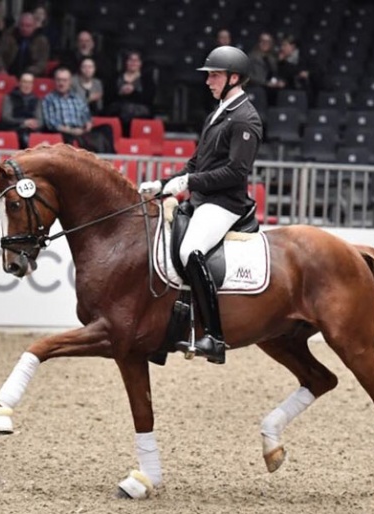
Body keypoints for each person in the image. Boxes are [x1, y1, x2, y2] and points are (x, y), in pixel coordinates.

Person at [138, 46, 263, 365]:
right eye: (209, 75)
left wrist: (189, 183)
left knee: (189, 251)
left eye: (215, 75)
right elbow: (196, 163)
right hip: (202, 199)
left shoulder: (246, 119)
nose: (208, 81)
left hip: (225, 203)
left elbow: (236, 172)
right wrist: (166, 183)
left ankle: (215, 337)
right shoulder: (217, 114)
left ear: (235, 78)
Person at [41, 67, 113, 152]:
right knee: (72, 138)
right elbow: (51, 123)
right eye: (59, 80)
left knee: (106, 128)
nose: (61, 83)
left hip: (81, 130)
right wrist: (72, 130)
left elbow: (86, 114)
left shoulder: (77, 98)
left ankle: (112, 159)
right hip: (65, 132)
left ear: (70, 81)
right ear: (55, 81)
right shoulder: (49, 99)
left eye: (64, 80)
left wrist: (88, 122)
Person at [105, 51, 155, 135]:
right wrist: (121, 92)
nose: (133, 63)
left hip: (139, 110)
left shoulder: (147, 79)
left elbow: (149, 98)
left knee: (130, 110)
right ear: (126, 62)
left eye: (136, 61)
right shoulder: (116, 77)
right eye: (131, 60)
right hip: (118, 109)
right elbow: (108, 96)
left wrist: (134, 92)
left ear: (140, 63)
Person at [0, 12, 50, 77]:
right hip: (8, 73)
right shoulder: (8, 36)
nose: (24, 28)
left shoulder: (41, 41)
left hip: (31, 75)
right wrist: (1, 68)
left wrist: (29, 72)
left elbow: (42, 63)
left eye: (28, 26)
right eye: (22, 25)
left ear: (34, 26)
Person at [0, 72, 43, 148]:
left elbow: (40, 121)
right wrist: (24, 122)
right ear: (19, 83)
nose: (27, 85)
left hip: (31, 131)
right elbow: (6, 117)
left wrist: (34, 124)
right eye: (25, 82)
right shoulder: (9, 97)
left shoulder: (37, 100)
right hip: (14, 130)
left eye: (30, 83)